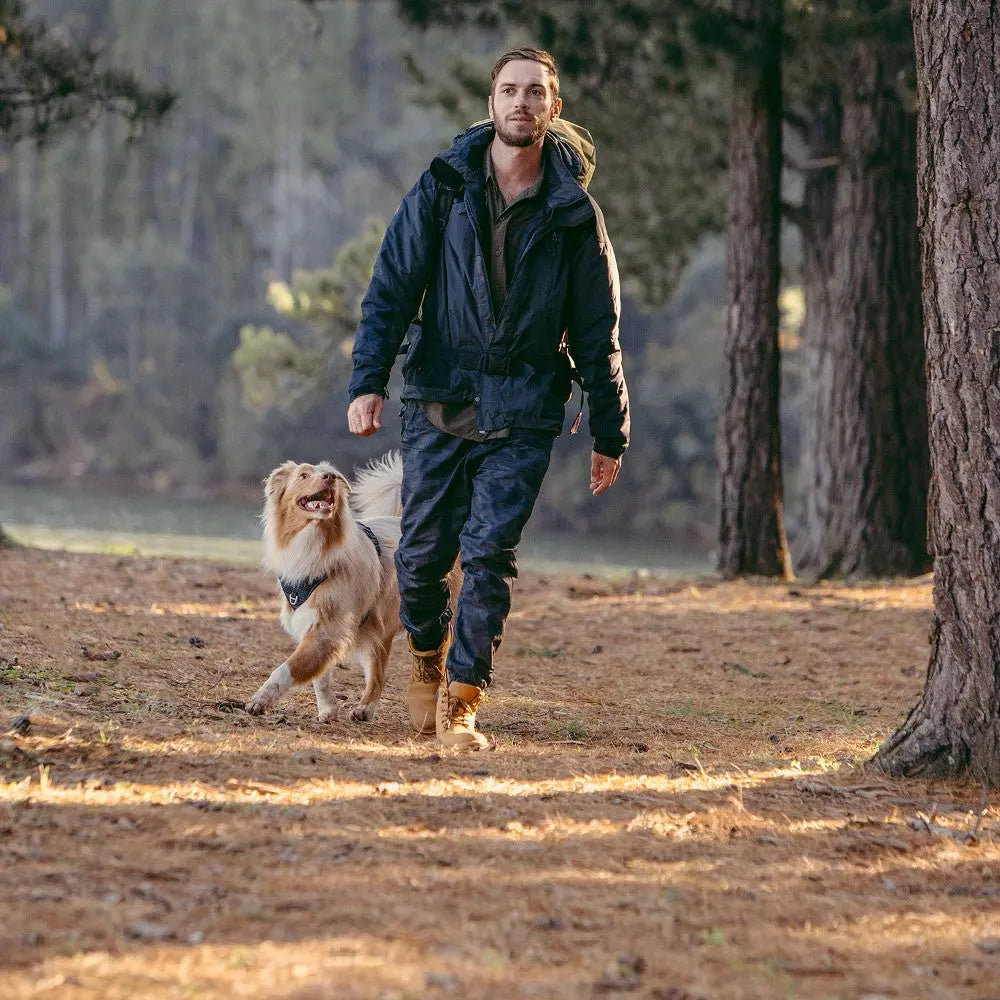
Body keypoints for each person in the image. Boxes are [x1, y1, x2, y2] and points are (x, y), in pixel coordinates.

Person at [347, 46, 630, 750]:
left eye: (536, 92)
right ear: (492, 103)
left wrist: (609, 428)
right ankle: (425, 661)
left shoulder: (574, 215)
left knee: (489, 554)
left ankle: (463, 699)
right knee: (418, 558)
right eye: (510, 91)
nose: (522, 103)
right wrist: (368, 381)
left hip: (527, 406)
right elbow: (392, 286)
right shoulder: (442, 187)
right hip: (440, 395)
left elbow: (599, 329)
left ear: (553, 109)